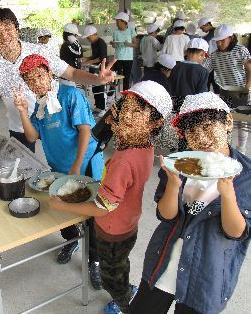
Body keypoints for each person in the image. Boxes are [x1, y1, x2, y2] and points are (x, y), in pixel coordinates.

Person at [49, 80, 173, 314]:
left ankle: (125, 302)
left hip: (112, 230)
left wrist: (62, 205)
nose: (126, 115)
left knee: (110, 278)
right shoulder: (144, 146)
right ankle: (126, 286)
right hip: (129, 224)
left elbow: (103, 208)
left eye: (137, 112)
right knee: (120, 264)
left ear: (155, 122)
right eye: (124, 108)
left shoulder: (123, 160)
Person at [130, 92, 251, 314]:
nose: (201, 138)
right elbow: (166, 216)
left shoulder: (246, 175)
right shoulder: (180, 164)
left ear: (228, 122)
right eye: (192, 132)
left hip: (205, 276)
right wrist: (174, 184)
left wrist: (228, 194)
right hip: (164, 263)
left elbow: (236, 233)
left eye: (206, 127)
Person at [14, 54, 105, 289]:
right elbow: (33, 136)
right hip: (59, 168)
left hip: (84, 164)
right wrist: (23, 110)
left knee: (92, 214)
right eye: (30, 80)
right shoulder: (41, 107)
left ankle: (94, 261)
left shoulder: (69, 95)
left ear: (50, 73)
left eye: (40, 76)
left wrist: (76, 166)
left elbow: (85, 131)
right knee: (61, 209)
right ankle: (72, 239)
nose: (37, 83)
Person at [0, 8, 116, 153]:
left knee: (62, 166)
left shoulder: (38, 51)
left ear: (16, 28)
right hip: (20, 126)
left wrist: (97, 80)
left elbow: (72, 72)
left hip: (53, 121)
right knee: (25, 168)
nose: (4, 36)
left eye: (8, 29)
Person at [204, 24, 251, 154]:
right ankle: (227, 148)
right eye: (217, 41)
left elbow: (249, 68)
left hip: (241, 90)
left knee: (242, 121)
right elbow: (203, 69)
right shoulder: (214, 56)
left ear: (230, 38)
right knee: (226, 121)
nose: (219, 43)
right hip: (224, 91)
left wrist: (247, 87)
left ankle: (241, 149)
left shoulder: (241, 50)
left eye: (222, 40)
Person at [169, 38, 209, 111]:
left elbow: (170, 87)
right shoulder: (203, 71)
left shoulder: (176, 67)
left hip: (175, 106)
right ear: (203, 54)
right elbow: (202, 95)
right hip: (191, 110)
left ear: (186, 52)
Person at [82, 25, 108, 113]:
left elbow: (102, 58)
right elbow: (94, 56)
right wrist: (87, 58)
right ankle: (97, 106)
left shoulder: (101, 42)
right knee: (94, 87)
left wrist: (89, 62)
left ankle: (103, 108)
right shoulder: (93, 43)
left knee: (100, 87)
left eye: (89, 38)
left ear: (93, 35)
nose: (88, 40)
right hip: (94, 68)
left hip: (100, 68)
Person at [111, 12, 138, 91]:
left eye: (117, 21)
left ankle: (125, 94)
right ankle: (111, 94)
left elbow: (135, 44)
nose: (116, 23)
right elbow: (114, 46)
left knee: (126, 77)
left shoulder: (131, 31)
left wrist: (128, 44)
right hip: (117, 57)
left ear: (123, 21)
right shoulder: (115, 32)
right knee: (114, 76)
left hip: (128, 58)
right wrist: (113, 43)